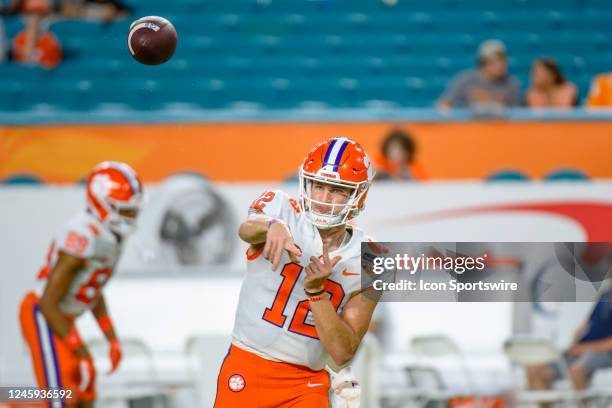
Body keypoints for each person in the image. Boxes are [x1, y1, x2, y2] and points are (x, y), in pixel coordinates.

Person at [215, 137, 380, 407]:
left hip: (306, 383)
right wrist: (271, 225)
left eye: (337, 189)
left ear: (357, 194)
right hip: (247, 364)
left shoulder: (371, 258)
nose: (324, 199)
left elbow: (342, 352)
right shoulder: (281, 209)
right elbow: (246, 228)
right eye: (318, 186)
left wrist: (317, 293)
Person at [19, 161, 143, 408]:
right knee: (62, 398)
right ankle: (10, 399)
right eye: (124, 210)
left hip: (62, 319)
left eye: (133, 210)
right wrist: (81, 352)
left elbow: (93, 290)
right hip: (44, 315)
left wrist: (112, 338)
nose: (131, 216)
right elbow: (48, 302)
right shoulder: (83, 234)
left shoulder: (110, 234)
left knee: (85, 394)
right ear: (102, 204)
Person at [526, 281, 612, 405]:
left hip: (602, 353)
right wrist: (574, 345)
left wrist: (584, 349)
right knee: (534, 370)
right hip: (581, 350)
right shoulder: (605, 294)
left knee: (577, 370)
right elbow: (585, 326)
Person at [437, 39, 521, 110]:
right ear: (483, 63)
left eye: (502, 61)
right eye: (494, 62)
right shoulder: (465, 80)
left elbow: (517, 114)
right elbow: (444, 103)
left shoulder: (511, 84)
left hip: (500, 128)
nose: (500, 65)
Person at [11, 0, 62, 69]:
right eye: (30, 14)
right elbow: (22, 68)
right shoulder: (18, 39)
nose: (34, 18)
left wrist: (33, 33)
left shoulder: (51, 42)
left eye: (39, 14)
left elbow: (48, 74)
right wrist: (31, 34)